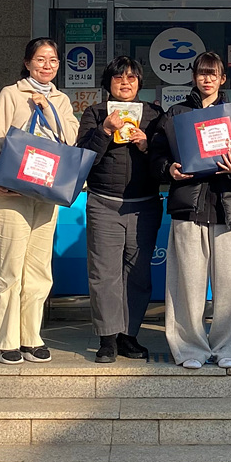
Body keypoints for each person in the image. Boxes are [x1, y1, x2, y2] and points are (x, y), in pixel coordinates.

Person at [149, 52, 231, 370]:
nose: (207, 79)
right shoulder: (176, 114)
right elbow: (156, 157)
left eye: (213, 74)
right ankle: (188, 348)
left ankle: (230, 346)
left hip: (228, 209)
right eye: (201, 73)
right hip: (188, 207)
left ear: (223, 79)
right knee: (187, 283)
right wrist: (169, 169)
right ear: (193, 77)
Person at [0, 37, 79, 365]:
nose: (47, 65)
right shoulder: (11, 94)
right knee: (11, 268)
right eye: (40, 59)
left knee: (39, 268)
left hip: (47, 193)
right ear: (27, 63)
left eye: (53, 60)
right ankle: (7, 340)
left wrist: (47, 107)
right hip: (12, 192)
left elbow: (71, 138)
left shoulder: (61, 100)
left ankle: (31, 337)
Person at [75, 56, 164, 363]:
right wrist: (103, 130)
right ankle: (107, 339)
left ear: (139, 83)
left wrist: (146, 145)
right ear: (108, 83)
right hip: (103, 202)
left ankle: (129, 336)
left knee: (138, 274)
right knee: (104, 274)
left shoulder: (153, 114)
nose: (125, 83)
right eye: (118, 78)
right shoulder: (95, 113)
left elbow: (164, 161)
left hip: (145, 206)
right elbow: (83, 159)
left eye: (131, 78)